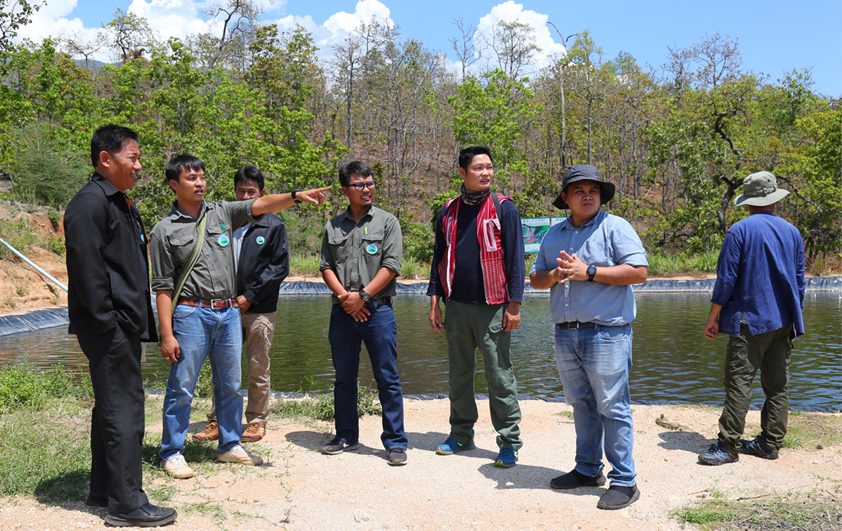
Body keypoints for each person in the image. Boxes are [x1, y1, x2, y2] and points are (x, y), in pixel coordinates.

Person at [150, 154, 327, 479]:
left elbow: (260, 206)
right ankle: (172, 451)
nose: (200, 182)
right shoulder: (163, 230)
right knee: (182, 386)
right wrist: (167, 333)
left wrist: (294, 196)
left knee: (230, 384)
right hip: (190, 313)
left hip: (228, 312)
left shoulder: (222, 212)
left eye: (202, 176)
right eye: (191, 178)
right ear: (174, 185)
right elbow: (161, 286)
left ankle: (230, 445)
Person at [64, 124, 177, 527]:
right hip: (108, 328)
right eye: (133, 157)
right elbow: (87, 270)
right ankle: (127, 504)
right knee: (125, 410)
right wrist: (108, 323)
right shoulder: (88, 205)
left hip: (122, 325)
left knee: (112, 408)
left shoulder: (119, 203)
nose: (139, 166)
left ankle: (104, 489)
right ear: (105, 159)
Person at [529, 164, 648, 510]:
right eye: (579, 191)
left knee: (612, 406)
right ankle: (587, 469)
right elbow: (536, 279)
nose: (587, 195)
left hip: (607, 332)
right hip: (566, 334)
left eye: (593, 190)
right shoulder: (553, 235)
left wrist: (589, 272)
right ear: (565, 198)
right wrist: (554, 274)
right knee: (581, 405)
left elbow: (639, 272)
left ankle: (625, 481)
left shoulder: (616, 227)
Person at [698, 171, 805, 466]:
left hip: (750, 321)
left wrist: (713, 317)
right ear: (773, 199)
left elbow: (726, 280)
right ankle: (769, 443)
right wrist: (796, 318)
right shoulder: (792, 232)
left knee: (739, 381)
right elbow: (799, 281)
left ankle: (728, 446)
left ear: (748, 201)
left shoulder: (739, 231)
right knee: (778, 384)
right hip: (784, 320)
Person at [428, 145, 524, 468]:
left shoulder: (503, 208)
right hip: (455, 305)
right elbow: (438, 259)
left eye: (489, 167)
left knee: (499, 376)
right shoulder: (448, 211)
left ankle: (508, 441)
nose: (486, 173)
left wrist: (514, 305)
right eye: (478, 168)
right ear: (462, 173)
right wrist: (435, 303)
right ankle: (461, 434)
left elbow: (515, 261)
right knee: (458, 374)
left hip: (494, 306)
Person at [319, 161, 408, 466]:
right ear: (346, 190)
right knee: (344, 378)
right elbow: (326, 266)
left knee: (388, 378)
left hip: (378, 312)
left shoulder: (387, 222)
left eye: (370, 183)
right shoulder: (333, 226)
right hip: (343, 313)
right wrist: (346, 298)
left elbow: (392, 266)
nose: (367, 188)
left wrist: (364, 296)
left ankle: (395, 442)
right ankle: (345, 435)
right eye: (359, 184)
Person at [192, 165, 289, 444]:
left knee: (258, 365)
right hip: (223, 308)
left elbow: (278, 268)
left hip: (259, 309)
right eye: (241, 191)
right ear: (234, 192)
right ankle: (217, 420)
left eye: (252, 192)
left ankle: (257, 421)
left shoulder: (273, 226)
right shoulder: (223, 222)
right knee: (222, 368)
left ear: (262, 194)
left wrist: (250, 297)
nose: (246, 196)